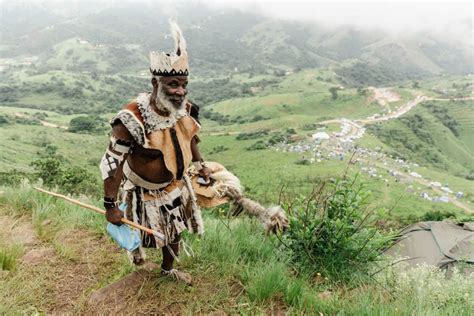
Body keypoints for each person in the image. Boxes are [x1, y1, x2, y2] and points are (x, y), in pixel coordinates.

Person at [99, 22, 211, 285]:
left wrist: (201, 163)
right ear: (155, 82)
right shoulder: (130, 120)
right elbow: (112, 163)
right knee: (147, 234)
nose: (180, 91)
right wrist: (110, 205)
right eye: (173, 84)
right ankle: (140, 263)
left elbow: (190, 137)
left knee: (176, 231)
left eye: (184, 84)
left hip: (176, 186)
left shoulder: (185, 109)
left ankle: (167, 270)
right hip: (144, 191)